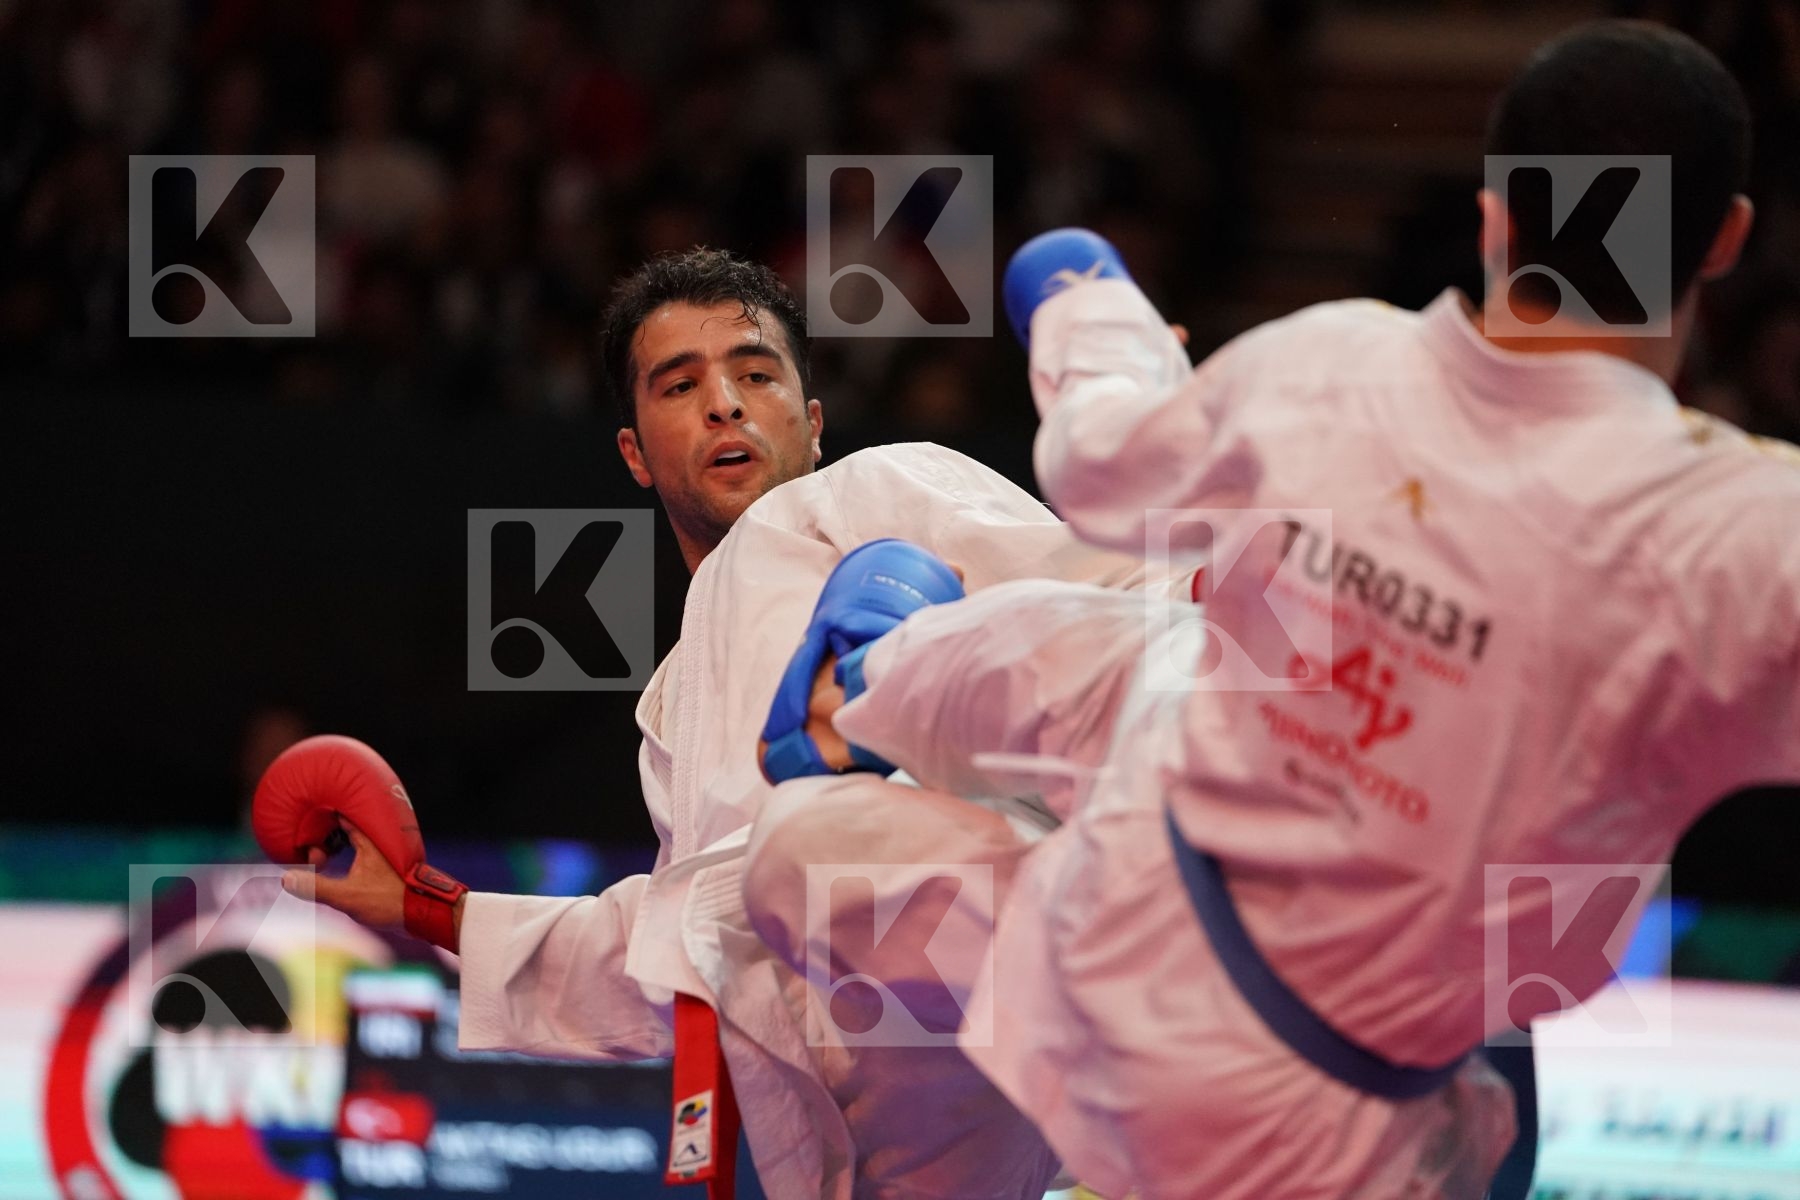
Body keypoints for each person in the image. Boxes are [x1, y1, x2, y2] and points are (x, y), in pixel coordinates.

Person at [761, 20, 1800, 1199]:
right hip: (1308, 1081)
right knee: (1154, 652)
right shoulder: (1744, 535)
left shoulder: (1330, 361)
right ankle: (885, 679)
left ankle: (879, 679)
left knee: (809, 848)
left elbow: (1097, 459)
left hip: (1131, 981)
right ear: (1724, 242)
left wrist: (1080, 298)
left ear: (1496, 214)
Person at [278, 247, 1157, 1198]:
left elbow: (1088, 586)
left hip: (979, 921)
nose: (726, 403)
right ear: (635, 452)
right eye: (681, 384)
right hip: (875, 1128)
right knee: (752, 899)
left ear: (812, 425)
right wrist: (428, 910)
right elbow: (678, 954)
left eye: (755, 374)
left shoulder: (868, 494)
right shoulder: (671, 715)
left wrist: (1180, 521)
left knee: (824, 837)